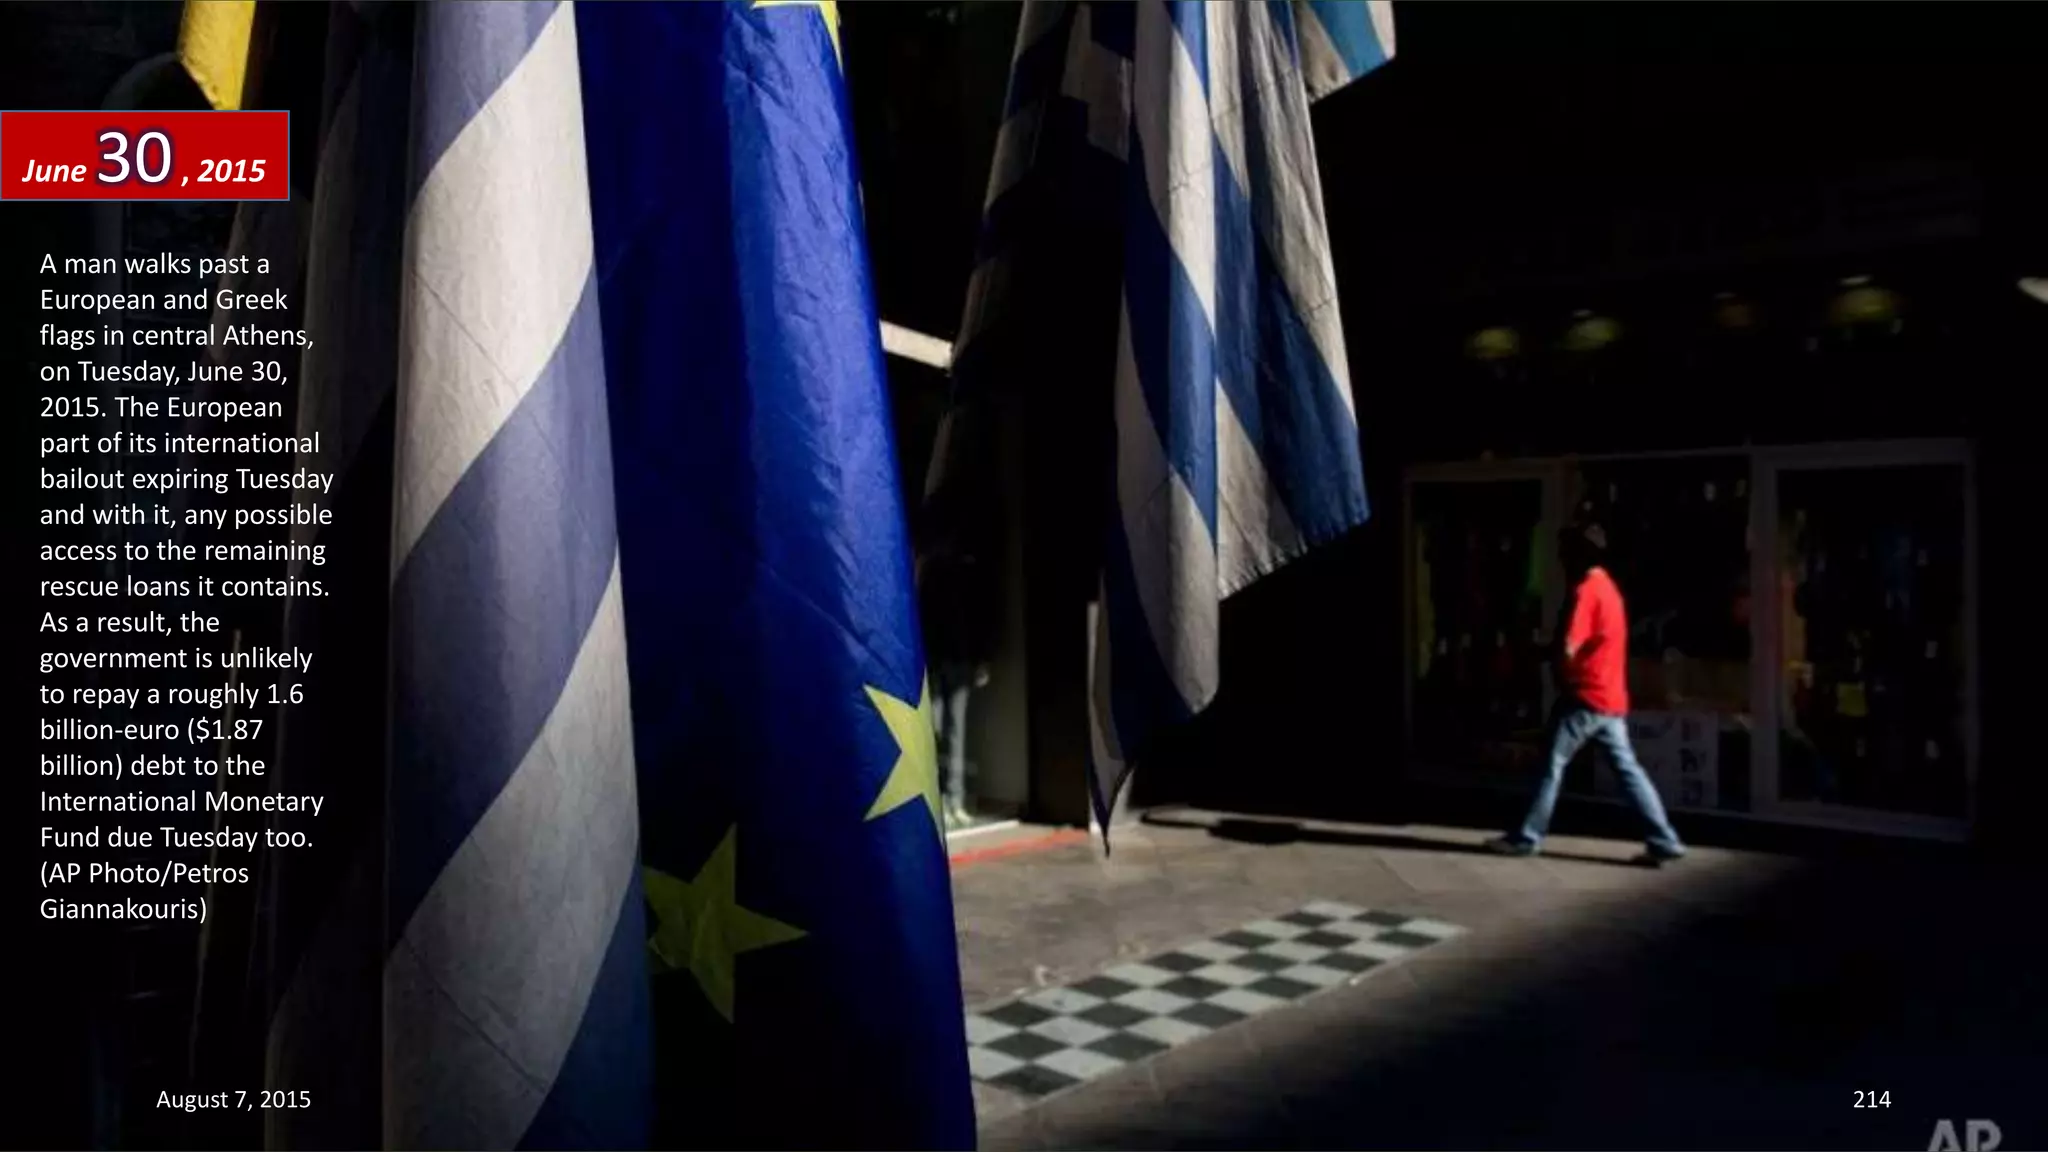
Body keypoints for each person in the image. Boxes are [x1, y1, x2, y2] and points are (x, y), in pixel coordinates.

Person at [1488, 520, 1686, 865]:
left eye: (1566, 550)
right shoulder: (1609, 589)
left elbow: (1569, 646)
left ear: (1580, 553)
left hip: (1584, 697)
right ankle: (1664, 839)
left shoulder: (1586, 591)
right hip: (1610, 698)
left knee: (1551, 764)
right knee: (1628, 770)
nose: (1561, 557)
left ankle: (1527, 837)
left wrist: (1540, 655)